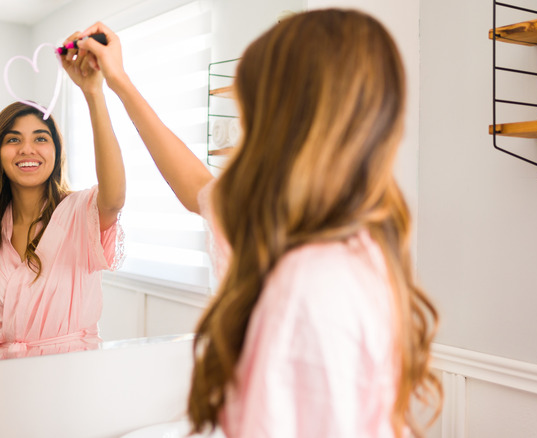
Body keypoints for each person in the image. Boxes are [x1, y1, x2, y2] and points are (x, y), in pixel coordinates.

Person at [67, 8, 440, 437]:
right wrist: (115, 85)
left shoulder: (312, 283)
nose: (245, 127)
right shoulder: (304, 227)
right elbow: (197, 188)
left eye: (252, 110)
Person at [0, 41, 126, 362]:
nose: (27, 149)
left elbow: (115, 195)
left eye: (40, 138)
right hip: (4, 387)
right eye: (13, 139)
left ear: (56, 151)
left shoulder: (80, 214)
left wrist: (93, 93)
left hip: (71, 382)